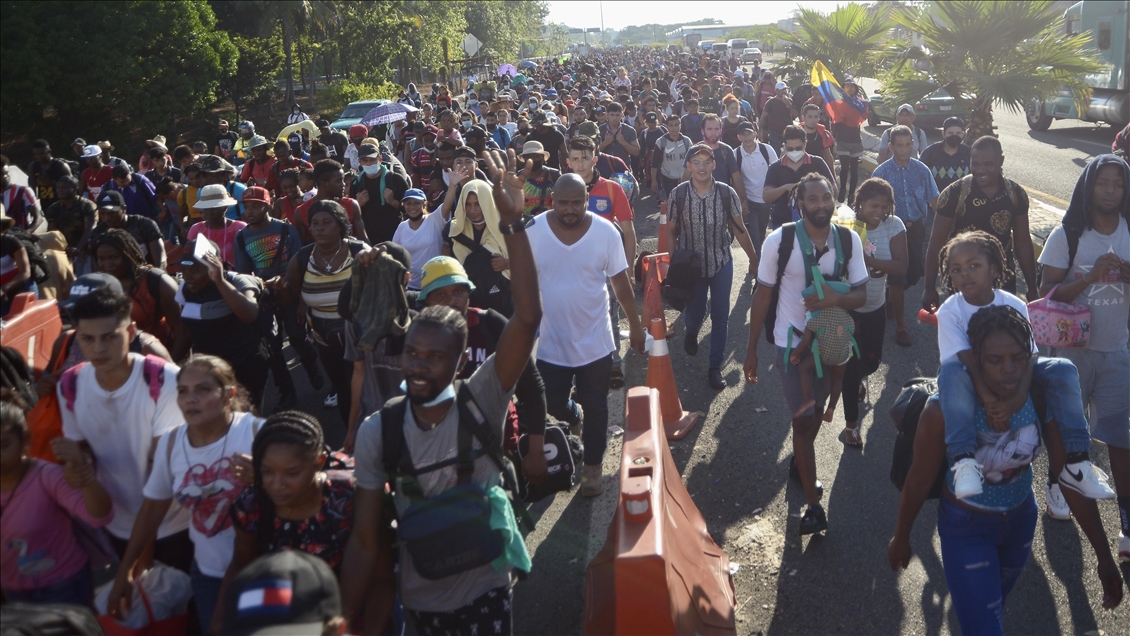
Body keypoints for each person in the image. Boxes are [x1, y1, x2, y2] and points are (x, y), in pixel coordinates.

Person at [342, 148, 542, 634]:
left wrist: (513, 223)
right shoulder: (379, 431)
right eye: (413, 354)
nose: (420, 365)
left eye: (436, 357)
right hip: (421, 601)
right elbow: (366, 541)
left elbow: (528, 317)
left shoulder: (482, 399)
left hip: (487, 590)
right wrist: (341, 617)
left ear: (461, 360)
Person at [888, 305, 1124, 635]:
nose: (1009, 370)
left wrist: (1103, 555)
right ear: (973, 360)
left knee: (990, 610)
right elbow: (918, 480)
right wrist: (901, 536)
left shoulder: (1039, 395)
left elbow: (1069, 478)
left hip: (1020, 524)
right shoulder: (944, 410)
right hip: (965, 528)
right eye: (994, 360)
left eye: (1017, 358)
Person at [933, 230, 1113, 504]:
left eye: (974, 265)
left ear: (994, 269)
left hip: (1015, 369)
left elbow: (1029, 355)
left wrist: (1018, 397)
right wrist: (990, 400)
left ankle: (1077, 461)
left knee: (1063, 367)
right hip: (969, 376)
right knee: (949, 372)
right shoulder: (950, 310)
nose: (965, 274)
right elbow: (966, 360)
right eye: (956, 269)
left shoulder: (1013, 302)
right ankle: (964, 460)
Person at [744, 173, 868, 535]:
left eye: (826, 198)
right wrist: (751, 349)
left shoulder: (847, 239)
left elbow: (862, 295)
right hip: (790, 344)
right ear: (800, 204)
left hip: (831, 343)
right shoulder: (779, 240)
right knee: (803, 416)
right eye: (812, 199)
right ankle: (813, 508)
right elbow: (763, 294)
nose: (821, 205)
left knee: (812, 421)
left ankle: (800, 462)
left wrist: (834, 299)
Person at [106, 356, 262, 628]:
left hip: (265, 568)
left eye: (203, 390)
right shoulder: (170, 444)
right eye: (183, 391)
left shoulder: (257, 432)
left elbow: (304, 483)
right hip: (208, 575)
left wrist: (262, 477)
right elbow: (152, 509)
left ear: (229, 396)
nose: (191, 399)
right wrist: (126, 571)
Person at [52, 288, 193, 573]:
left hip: (174, 524)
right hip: (117, 525)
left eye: (109, 337)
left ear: (130, 331)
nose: (98, 348)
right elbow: (83, 456)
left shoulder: (164, 380)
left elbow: (162, 476)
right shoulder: (71, 385)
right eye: (87, 339)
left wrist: (137, 558)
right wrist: (75, 469)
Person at [529, 173, 644, 497]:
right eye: (562, 203)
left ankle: (592, 467)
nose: (569, 209)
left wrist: (635, 327)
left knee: (597, 407)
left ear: (586, 201)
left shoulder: (605, 232)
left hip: (595, 342)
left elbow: (620, 285)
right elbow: (523, 282)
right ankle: (571, 413)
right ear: (552, 200)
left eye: (576, 203)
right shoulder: (535, 231)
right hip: (552, 344)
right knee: (550, 404)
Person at [1037, 156, 1130, 545]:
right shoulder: (1068, 235)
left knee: (1121, 437)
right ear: (1088, 188)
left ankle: (1126, 522)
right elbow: (1046, 294)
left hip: (1115, 351)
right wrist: (1090, 276)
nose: (1110, 191)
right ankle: (1057, 484)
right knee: (1064, 427)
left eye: (1117, 184)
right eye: (1102, 183)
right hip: (1070, 351)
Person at [220, 411, 357, 632]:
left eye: (291, 473)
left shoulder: (346, 497)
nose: (277, 484)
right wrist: (220, 622)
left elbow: (380, 578)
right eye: (267, 472)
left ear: (319, 462)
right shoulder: (250, 508)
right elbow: (241, 565)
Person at [0, 395, 112, 607]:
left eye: (3, 445)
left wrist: (84, 473)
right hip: (12, 594)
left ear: (24, 440)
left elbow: (100, 517)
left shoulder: (47, 476)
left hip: (64, 590)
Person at [667, 144, 758, 390]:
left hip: (721, 262)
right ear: (689, 166)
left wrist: (754, 258)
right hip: (691, 268)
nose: (701, 167)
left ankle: (714, 368)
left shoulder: (727, 194)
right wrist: (671, 263)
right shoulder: (679, 194)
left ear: (714, 165)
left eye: (707, 162)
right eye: (696, 162)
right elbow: (671, 231)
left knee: (720, 316)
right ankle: (691, 332)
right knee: (695, 313)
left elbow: (740, 229)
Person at [270, 201, 369, 420]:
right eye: (315, 223)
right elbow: (291, 297)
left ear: (341, 225)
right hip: (325, 340)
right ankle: (350, 438)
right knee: (343, 389)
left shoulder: (359, 251)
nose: (319, 228)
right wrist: (280, 290)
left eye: (326, 223)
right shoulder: (303, 258)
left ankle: (370, 439)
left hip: (361, 338)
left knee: (363, 391)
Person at [923, 136, 1039, 312]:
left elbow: (1022, 242)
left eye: (988, 164)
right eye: (975, 164)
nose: (980, 170)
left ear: (1001, 161)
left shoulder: (1016, 194)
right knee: (965, 336)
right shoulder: (953, 195)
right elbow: (936, 244)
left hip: (1003, 283)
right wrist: (929, 288)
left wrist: (1032, 287)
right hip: (963, 283)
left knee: (1002, 336)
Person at [830, 178, 905, 446]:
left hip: (875, 307)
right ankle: (851, 426)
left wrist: (866, 260)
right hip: (849, 308)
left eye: (885, 206)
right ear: (860, 202)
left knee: (872, 361)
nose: (880, 211)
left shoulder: (894, 225)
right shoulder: (846, 224)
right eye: (874, 205)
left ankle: (861, 375)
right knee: (849, 368)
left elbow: (901, 266)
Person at [173, 238, 269, 409]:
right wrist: (173, 366)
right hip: (211, 371)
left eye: (194, 269)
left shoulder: (238, 282)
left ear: (213, 266)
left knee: (245, 417)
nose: (187, 275)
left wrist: (220, 281)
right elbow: (186, 331)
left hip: (245, 366)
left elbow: (249, 314)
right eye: (184, 269)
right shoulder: (186, 289)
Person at [233, 187, 305, 410]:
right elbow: (245, 274)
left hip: (290, 293)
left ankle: (311, 364)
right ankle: (287, 392)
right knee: (273, 348)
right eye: (247, 207)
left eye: (256, 206)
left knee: (297, 337)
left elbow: (299, 267)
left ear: (267, 206)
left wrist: (302, 301)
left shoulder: (287, 229)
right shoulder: (242, 236)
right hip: (265, 296)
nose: (250, 211)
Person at [872, 125, 940, 347]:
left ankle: (891, 294)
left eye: (907, 144)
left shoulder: (922, 170)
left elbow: (935, 201)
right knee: (898, 278)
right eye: (898, 145)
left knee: (914, 274)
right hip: (890, 230)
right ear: (891, 147)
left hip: (916, 228)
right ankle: (901, 327)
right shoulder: (880, 173)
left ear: (913, 144)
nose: (904, 149)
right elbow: (870, 206)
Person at [90, 229, 181, 350]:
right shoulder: (99, 284)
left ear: (128, 255)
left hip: (158, 356)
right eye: (101, 258)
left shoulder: (157, 282)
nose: (107, 264)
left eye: (113, 257)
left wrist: (173, 365)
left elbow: (183, 332)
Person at [763, 125, 837, 229]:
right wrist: (785, 188)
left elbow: (834, 190)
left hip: (814, 223)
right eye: (790, 149)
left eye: (798, 148)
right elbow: (766, 196)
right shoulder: (775, 167)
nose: (794, 152)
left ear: (805, 144)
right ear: (784, 146)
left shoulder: (817, 163)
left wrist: (813, 188)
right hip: (783, 223)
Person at [349, 142, 410, 245]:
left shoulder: (395, 180)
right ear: (360, 162)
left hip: (395, 236)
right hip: (368, 239)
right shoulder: (356, 184)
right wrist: (357, 204)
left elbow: (410, 209)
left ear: (380, 159)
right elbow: (349, 216)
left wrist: (393, 202)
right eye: (365, 160)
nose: (369, 164)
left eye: (372, 160)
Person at [295, 159, 368, 245]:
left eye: (343, 180)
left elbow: (363, 240)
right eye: (338, 181)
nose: (343, 184)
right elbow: (301, 248)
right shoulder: (301, 212)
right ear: (324, 184)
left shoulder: (352, 205)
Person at [89, 191, 165, 269]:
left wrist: (155, 277)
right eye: (102, 213)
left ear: (124, 209)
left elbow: (161, 259)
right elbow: (97, 267)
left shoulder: (144, 225)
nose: (106, 218)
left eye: (111, 213)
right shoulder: (98, 233)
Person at [735, 120, 778, 248]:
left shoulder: (766, 149)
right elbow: (735, 180)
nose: (746, 137)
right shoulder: (736, 154)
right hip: (749, 202)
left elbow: (777, 172)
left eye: (749, 134)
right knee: (754, 237)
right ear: (739, 137)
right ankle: (757, 264)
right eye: (743, 135)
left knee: (761, 233)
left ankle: (757, 262)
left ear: (755, 134)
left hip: (766, 200)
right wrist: (742, 201)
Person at [393, 189, 446, 290]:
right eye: (408, 203)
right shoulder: (402, 227)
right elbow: (395, 254)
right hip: (410, 286)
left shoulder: (434, 220)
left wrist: (452, 184)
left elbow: (447, 204)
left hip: (434, 285)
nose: (412, 207)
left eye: (417, 203)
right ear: (404, 205)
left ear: (425, 204)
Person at [187, 184, 248, 268]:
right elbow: (189, 257)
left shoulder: (240, 228)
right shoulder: (196, 229)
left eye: (214, 208)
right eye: (206, 208)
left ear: (225, 208)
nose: (209, 212)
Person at [45, 176, 96, 265]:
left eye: (64, 187)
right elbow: (52, 233)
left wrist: (78, 249)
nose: (60, 190)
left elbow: (90, 230)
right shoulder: (53, 208)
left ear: (75, 189)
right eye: (58, 187)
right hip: (63, 251)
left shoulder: (87, 206)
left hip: (85, 251)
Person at [919, 117, 970, 194]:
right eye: (950, 133)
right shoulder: (931, 152)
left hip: (963, 203)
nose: (954, 136)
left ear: (963, 134)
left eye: (958, 133)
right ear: (943, 134)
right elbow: (920, 176)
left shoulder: (969, 153)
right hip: (936, 203)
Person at [834, 76, 865, 207]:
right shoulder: (839, 103)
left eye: (852, 86)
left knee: (855, 170)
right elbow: (835, 119)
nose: (850, 88)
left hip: (856, 141)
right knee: (845, 167)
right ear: (843, 88)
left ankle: (852, 194)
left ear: (855, 88)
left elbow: (863, 115)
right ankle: (842, 190)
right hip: (843, 140)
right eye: (847, 86)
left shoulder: (860, 103)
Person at [651, 114, 692, 199]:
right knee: (672, 202)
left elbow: (692, 161)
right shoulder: (661, 142)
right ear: (667, 126)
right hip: (667, 178)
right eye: (671, 125)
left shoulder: (687, 141)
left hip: (685, 178)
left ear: (680, 126)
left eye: (676, 125)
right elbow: (655, 163)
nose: (674, 128)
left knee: (685, 201)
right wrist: (654, 180)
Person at [516, 141, 560, 217]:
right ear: (524, 159)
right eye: (529, 156)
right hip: (526, 223)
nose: (533, 159)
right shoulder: (519, 176)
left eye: (536, 156)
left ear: (543, 158)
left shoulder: (554, 175)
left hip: (551, 221)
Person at [28, 139, 71, 211]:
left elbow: (72, 185)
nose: (39, 157)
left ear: (49, 152)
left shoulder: (60, 166)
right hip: (45, 205)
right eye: (36, 154)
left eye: (41, 154)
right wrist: (34, 204)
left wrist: (50, 183)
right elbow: (32, 189)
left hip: (62, 204)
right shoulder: (33, 166)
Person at [2, 157, 41, 232]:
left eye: (6, 173)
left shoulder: (23, 191)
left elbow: (39, 218)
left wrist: (27, 233)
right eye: (1, 174)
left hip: (20, 236)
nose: (5, 176)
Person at [762, 81, 796, 153]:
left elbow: (795, 115)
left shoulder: (789, 101)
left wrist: (789, 105)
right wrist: (761, 130)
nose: (784, 91)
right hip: (774, 132)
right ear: (776, 91)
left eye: (785, 89)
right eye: (781, 90)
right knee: (776, 152)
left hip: (787, 132)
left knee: (787, 151)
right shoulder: (771, 102)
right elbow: (763, 117)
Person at [800, 104, 836, 171]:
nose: (813, 120)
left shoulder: (822, 133)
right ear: (803, 118)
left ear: (819, 118)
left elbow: (828, 157)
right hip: (799, 171)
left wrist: (833, 178)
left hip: (817, 171)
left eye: (815, 117)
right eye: (810, 117)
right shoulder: (796, 133)